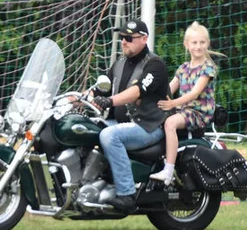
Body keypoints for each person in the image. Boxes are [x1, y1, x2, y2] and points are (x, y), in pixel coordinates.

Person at [91, 18, 169, 211]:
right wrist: (71, 99)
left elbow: (137, 91)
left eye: (129, 38)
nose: (124, 41)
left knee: (110, 135)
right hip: (120, 122)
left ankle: (126, 194)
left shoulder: (154, 65)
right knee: (88, 127)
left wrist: (110, 101)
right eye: (122, 37)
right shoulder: (119, 64)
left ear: (144, 39)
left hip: (148, 126)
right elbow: (99, 91)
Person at [149, 22, 220, 185]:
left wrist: (173, 103)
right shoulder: (183, 69)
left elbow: (195, 93)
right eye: (194, 43)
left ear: (207, 44)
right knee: (155, 119)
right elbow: (168, 89)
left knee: (170, 123)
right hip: (183, 111)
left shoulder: (208, 68)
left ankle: (168, 170)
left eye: (202, 42)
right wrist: (148, 98)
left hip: (198, 113)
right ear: (187, 45)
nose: (198, 46)